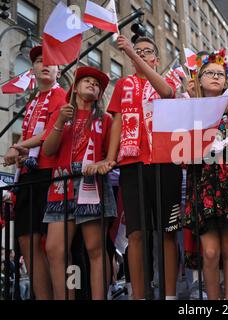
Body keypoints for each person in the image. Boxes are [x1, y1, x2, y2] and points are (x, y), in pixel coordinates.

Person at [95, 35, 181, 300]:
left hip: (166, 162)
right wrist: (110, 157)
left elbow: (167, 93)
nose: (141, 54)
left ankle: (170, 295)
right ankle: (139, 295)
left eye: (147, 51)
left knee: (168, 232)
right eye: (138, 51)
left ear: (156, 59)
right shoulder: (124, 84)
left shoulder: (169, 79)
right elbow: (118, 122)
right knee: (136, 233)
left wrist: (132, 53)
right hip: (133, 164)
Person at [182, 49, 228, 300]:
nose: (215, 77)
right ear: (198, 79)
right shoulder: (188, 105)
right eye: (209, 73)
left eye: (220, 74)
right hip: (202, 180)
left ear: (226, 79)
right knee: (210, 252)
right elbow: (178, 146)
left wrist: (220, 144)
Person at [42, 66, 116, 300]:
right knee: (55, 250)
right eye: (87, 80)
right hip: (60, 183)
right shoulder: (62, 114)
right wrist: (59, 122)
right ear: (74, 88)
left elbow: (111, 156)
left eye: (97, 83)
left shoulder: (105, 119)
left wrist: (105, 162)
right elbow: (48, 150)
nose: (93, 84)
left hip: (90, 182)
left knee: (95, 248)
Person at [3, 46, 66, 300]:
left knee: (54, 248)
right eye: (39, 61)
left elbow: (48, 135)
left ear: (58, 70)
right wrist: (19, 153)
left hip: (50, 177)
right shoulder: (32, 103)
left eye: (50, 62)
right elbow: (31, 140)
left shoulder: (60, 95)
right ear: (33, 70)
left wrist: (18, 146)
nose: (44, 65)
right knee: (28, 246)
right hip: (28, 177)